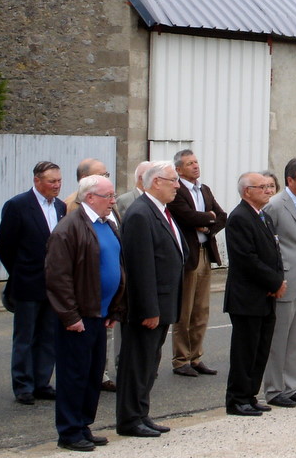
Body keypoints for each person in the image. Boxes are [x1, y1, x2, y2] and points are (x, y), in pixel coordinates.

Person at [45, 175, 125, 451]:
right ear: (90, 197)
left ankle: (83, 425)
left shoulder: (107, 224)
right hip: (79, 317)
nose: (113, 201)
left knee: (92, 375)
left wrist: (114, 308)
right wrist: (71, 316)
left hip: (100, 314)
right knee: (74, 375)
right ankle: (69, 432)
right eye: (108, 196)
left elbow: (116, 265)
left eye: (113, 196)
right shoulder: (69, 228)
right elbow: (57, 278)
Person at [115, 161, 186, 437]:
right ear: (156, 182)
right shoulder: (140, 214)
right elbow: (140, 267)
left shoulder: (160, 210)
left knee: (149, 363)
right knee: (137, 363)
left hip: (163, 302)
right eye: (173, 180)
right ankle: (130, 419)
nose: (177, 186)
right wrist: (148, 309)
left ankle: (141, 413)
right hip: (148, 307)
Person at [0, 160, 66, 404]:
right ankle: (23, 385)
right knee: (25, 336)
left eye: (59, 181)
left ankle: (41, 382)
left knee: (48, 335)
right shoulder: (18, 205)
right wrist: (19, 271)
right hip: (27, 282)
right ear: (37, 181)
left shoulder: (60, 207)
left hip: (53, 285)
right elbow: (4, 244)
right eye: (52, 181)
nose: (57, 185)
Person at [223, 172, 287, 416]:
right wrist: (274, 281)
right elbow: (246, 259)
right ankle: (237, 398)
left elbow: (274, 252)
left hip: (266, 295)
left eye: (269, 186)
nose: (268, 190)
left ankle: (250, 395)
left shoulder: (263, 216)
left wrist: (278, 280)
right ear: (247, 191)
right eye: (262, 187)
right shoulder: (239, 217)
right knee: (245, 350)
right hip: (247, 297)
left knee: (260, 349)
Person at [263, 158, 296, 407]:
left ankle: (290, 386)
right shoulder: (274, 205)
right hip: (284, 281)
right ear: (290, 180)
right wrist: (274, 279)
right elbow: (267, 245)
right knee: (278, 338)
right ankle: (274, 389)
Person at [168, 149, 226, 377]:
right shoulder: (177, 190)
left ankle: (196, 357)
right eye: (189, 163)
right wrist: (207, 217)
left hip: (205, 253)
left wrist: (207, 226)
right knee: (185, 310)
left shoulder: (204, 189)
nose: (195, 166)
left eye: (196, 162)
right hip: (188, 256)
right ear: (179, 169)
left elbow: (222, 216)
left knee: (201, 310)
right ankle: (181, 359)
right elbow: (187, 216)